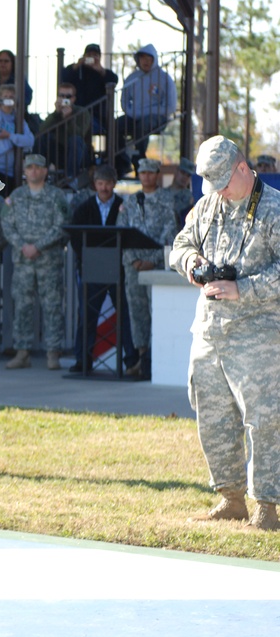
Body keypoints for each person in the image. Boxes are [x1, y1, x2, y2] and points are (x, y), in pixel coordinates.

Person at [169, 136, 280, 530]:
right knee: (212, 416)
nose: (218, 190)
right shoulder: (208, 205)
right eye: (210, 183)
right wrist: (192, 263)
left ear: (241, 167)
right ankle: (231, 498)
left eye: (222, 181)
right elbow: (178, 245)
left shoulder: (273, 210)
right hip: (210, 331)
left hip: (258, 333)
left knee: (264, 420)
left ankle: (268, 505)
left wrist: (242, 289)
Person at [1, 154, 69, 370]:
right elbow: (6, 224)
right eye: (29, 167)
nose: (33, 171)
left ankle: (53, 353)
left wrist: (38, 246)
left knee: (52, 306)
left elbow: (62, 225)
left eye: (38, 168)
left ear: (45, 171)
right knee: (22, 305)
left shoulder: (57, 196)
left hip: (48, 260)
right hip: (23, 261)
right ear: (24, 171)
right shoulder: (15, 196)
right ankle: (22, 352)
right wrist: (23, 245)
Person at [68, 165, 137, 374]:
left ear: (114, 184)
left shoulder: (123, 207)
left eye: (108, 183)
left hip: (118, 269)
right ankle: (83, 361)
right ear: (94, 185)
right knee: (87, 315)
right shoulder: (84, 208)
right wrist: (87, 257)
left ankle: (131, 360)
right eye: (100, 183)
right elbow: (75, 237)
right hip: (91, 269)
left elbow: (129, 235)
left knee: (125, 314)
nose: (104, 187)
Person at [116, 158, 178, 379]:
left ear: (157, 174)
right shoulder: (131, 201)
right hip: (134, 267)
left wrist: (152, 260)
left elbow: (170, 233)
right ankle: (141, 358)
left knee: (157, 312)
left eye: (151, 172)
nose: (147, 176)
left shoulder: (166, 200)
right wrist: (135, 261)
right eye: (142, 173)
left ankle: (155, 360)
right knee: (137, 312)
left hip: (156, 265)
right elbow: (121, 231)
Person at [115, 44, 177, 177]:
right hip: (134, 116)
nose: (146, 61)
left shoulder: (165, 78)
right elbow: (124, 102)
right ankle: (122, 161)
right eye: (142, 58)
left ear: (154, 59)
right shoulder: (132, 78)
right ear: (138, 60)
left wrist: (148, 111)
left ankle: (140, 160)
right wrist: (133, 112)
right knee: (115, 126)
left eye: (149, 58)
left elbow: (171, 106)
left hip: (157, 118)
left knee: (143, 125)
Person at [0, 83, 34, 193]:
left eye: (11, 97)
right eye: (5, 97)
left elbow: (30, 141)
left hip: (9, 170)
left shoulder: (19, 120)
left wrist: (10, 136)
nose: (8, 99)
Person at [35, 82, 91, 181]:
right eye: (62, 95)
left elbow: (80, 134)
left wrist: (68, 118)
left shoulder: (82, 112)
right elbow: (41, 131)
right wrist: (56, 114)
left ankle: (70, 178)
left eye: (68, 96)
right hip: (59, 154)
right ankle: (38, 174)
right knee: (42, 139)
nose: (65, 98)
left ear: (73, 99)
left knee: (75, 140)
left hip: (79, 154)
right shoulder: (55, 114)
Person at [59, 43, 119, 135]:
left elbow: (113, 81)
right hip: (74, 112)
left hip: (95, 115)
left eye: (95, 55)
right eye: (89, 55)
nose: (91, 58)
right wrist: (78, 64)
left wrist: (100, 69)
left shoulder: (103, 73)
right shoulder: (77, 70)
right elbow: (63, 77)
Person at [168, 156, 196, 224]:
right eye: (183, 173)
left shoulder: (189, 198)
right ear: (176, 171)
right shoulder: (162, 192)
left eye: (188, 175)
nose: (185, 177)